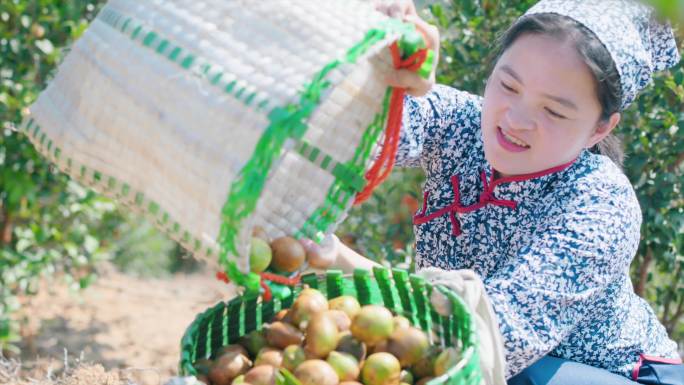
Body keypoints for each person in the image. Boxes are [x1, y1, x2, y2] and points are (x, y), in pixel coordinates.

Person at [330, 0, 684, 384]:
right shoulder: (459, 123)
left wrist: (336, 258)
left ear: (600, 129)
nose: (515, 120)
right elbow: (359, 131)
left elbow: (490, 338)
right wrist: (366, 51)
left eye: (554, 112)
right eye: (508, 85)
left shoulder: (601, 203)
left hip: (605, 373)